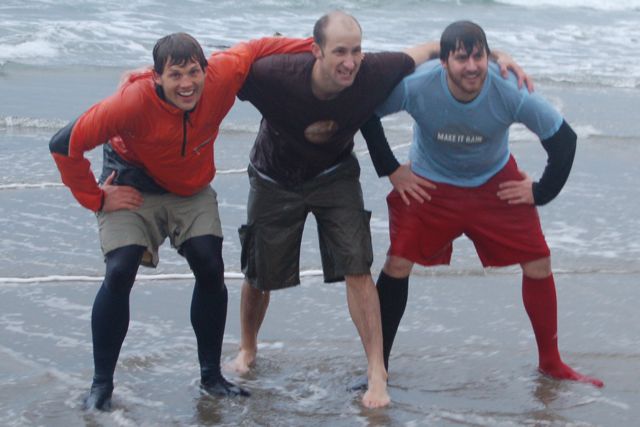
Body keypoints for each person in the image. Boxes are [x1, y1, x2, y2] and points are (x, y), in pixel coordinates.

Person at [224, 11, 532, 408]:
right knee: (260, 272)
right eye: (339, 52)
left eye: (356, 51)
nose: (350, 62)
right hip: (273, 177)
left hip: (335, 174)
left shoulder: (372, 72)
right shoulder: (274, 75)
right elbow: (216, 74)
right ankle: (248, 348)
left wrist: (496, 55)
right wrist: (152, 84)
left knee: (357, 265)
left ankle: (376, 373)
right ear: (315, 51)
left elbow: (431, 49)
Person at [49, 32, 313, 411]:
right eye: (175, 75)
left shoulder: (222, 76)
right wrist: (95, 196)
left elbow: (257, 48)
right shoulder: (131, 102)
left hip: (189, 186)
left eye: (193, 72)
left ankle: (211, 377)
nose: (187, 84)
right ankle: (101, 385)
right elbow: (63, 144)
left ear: (206, 69)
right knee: (120, 269)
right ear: (156, 77)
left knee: (209, 263)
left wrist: (315, 45)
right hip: (131, 180)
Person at [364, 20, 603, 388]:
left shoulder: (507, 89)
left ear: (488, 57)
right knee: (397, 262)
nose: (472, 67)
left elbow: (563, 139)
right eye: (462, 58)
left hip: (493, 182)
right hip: (430, 183)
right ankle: (378, 365)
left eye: (479, 57)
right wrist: (392, 170)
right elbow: (366, 112)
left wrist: (539, 192)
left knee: (538, 260)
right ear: (444, 62)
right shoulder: (417, 86)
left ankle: (551, 363)